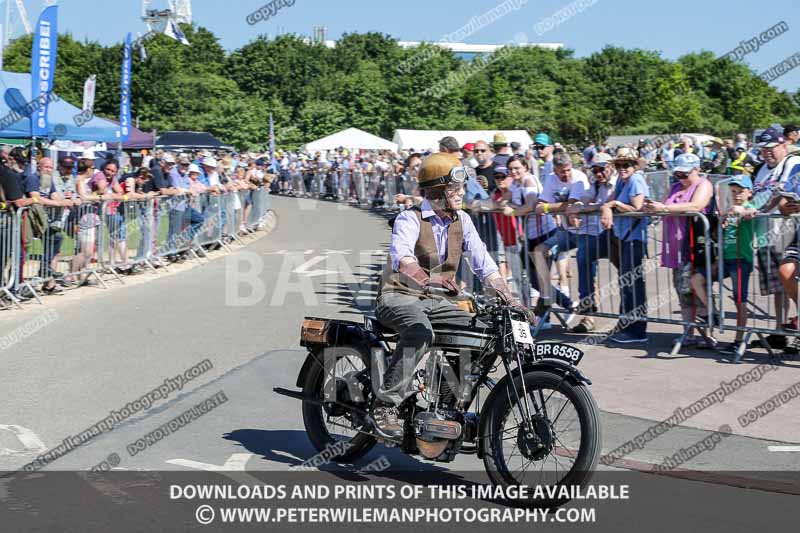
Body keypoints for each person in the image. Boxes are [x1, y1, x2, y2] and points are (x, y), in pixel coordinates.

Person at [375, 153, 521, 437]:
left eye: (462, 187)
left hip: (438, 301)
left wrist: (511, 299)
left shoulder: (462, 220)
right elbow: (402, 257)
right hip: (399, 295)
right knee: (419, 333)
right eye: (455, 188)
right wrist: (427, 278)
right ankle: (386, 404)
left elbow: (484, 264)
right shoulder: (410, 218)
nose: (462, 193)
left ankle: (446, 402)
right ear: (437, 191)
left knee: (483, 332)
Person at [643, 153, 714, 347]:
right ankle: (688, 333)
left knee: (696, 289)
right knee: (682, 291)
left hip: (694, 247)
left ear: (696, 169)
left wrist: (664, 209)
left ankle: (708, 334)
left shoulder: (703, 185)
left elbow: (697, 205)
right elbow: (663, 205)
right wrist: (653, 207)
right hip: (675, 247)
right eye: (678, 174)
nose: (681, 178)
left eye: (685, 174)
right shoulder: (675, 187)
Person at [692, 176, 755, 354]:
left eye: (740, 191)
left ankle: (738, 340)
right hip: (724, 259)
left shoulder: (748, 206)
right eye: (733, 191)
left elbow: (753, 212)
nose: (736, 195)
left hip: (741, 261)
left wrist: (741, 210)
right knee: (696, 280)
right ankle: (713, 312)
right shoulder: (729, 209)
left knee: (739, 300)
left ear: (749, 193)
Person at [750, 127, 800, 346]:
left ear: (783, 145)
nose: (767, 152)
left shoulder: (792, 163)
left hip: (787, 232)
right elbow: (755, 194)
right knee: (777, 286)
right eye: (763, 149)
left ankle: (796, 327)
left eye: (771, 148)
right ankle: (779, 330)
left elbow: (779, 194)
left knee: (791, 278)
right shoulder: (761, 168)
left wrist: (753, 209)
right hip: (765, 233)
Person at [600, 147, 650, 343]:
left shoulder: (636, 180)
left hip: (634, 238)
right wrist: (607, 206)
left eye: (626, 164)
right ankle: (626, 324)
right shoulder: (622, 181)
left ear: (634, 165)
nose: (622, 168)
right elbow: (609, 201)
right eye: (619, 164)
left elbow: (637, 208)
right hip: (624, 237)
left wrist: (614, 205)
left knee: (633, 284)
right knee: (626, 283)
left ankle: (637, 330)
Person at [530, 152, 586, 322]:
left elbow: (572, 204)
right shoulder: (551, 179)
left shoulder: (579, 178)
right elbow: (539, 206)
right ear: (555, 170)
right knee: (539, 251)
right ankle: (547, 296)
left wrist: (549, 207)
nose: (566, 174)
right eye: (562, 171)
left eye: (568, 170)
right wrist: (550, 207)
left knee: (586, 271)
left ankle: (588, 316)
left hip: (586, 231)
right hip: (567, 231)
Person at [565, 153, 617, 333]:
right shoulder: (595, 184)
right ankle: (588, 313)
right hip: (602, 234)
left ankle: (629, 321)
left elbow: (610, 203)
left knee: (628, 275)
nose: (598, 174)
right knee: (583, 258)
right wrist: (577, 209)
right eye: (595, 170)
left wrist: (596, 206)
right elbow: (581, 203)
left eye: (602, 169)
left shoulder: (619, 182)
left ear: (611, 167)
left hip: (621, 236)